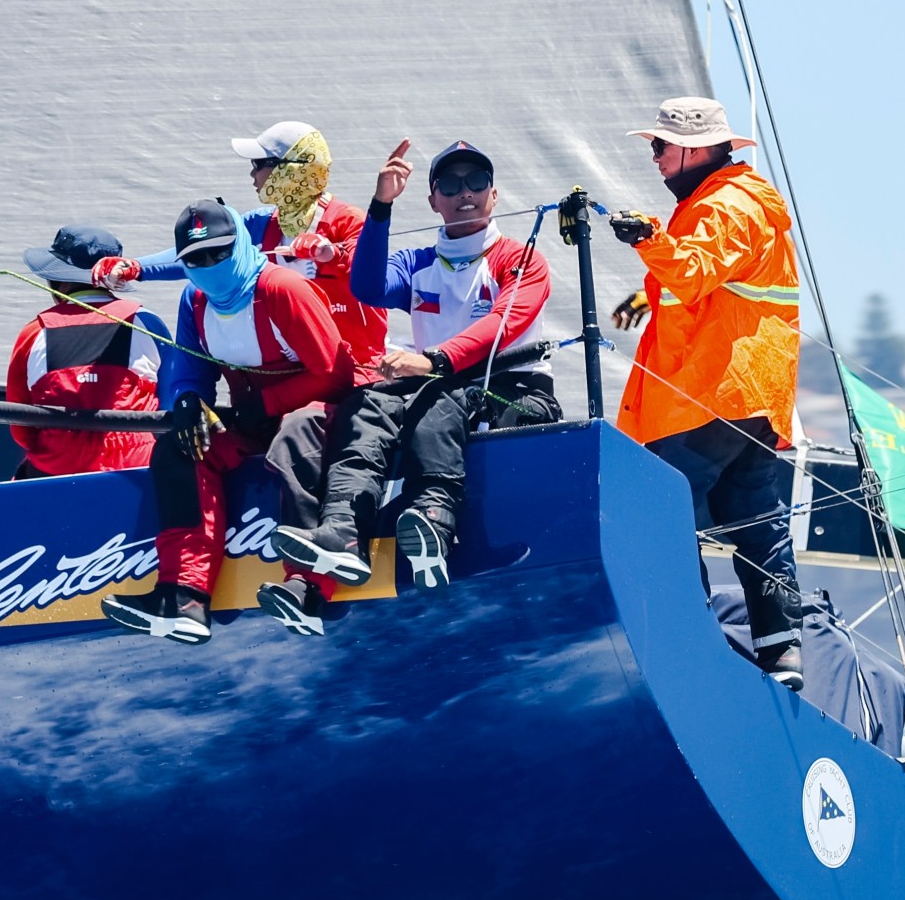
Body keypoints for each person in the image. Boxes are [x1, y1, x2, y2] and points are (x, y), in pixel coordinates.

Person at [261, 140, 560, 633]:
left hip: (514, 386)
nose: (464, 192)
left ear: (495, 194)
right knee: (366, 403)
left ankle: (434, 523)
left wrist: (432, 359)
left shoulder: (519, 256)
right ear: (433, 201)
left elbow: (503, 323)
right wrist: (381, 206)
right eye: (449, 184)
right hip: (436, 379)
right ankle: (341, 532)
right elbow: (367, 287)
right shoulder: (418, 260)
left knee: (438, 399)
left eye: (475, 182)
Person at [608, 96, 806, 690]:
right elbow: (708, 285)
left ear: (694, 149)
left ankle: (685, 639)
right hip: (750, 393)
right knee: (753, 514)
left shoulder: (724, 205)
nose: (655, 158)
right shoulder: (733, 202)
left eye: (660, 147)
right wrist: (651, 292)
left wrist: (646, 237)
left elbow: (693, 269)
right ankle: (782, 652)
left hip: (712, 392)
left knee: (657, 505)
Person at [101, 198, 354, 644]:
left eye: (219, 252)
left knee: (297, 432)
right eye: (196, 259)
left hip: (316, 410)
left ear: (239, 244)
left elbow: (335, 375)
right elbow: (190, 369)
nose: (209, 264)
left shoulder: (281, 289)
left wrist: (269, 403)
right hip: (254, 415)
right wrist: (187, 401)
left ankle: (309, 587)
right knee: (181, 448)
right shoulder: (195, 300)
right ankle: (184, 598)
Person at [96, 121, 387, 368]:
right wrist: (135, 267)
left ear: (291, 170)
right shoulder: (263, 223)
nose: (252, 174)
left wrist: (330, 253)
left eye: (259, 164)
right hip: (294, 370)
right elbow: (203, 249)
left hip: (355, 371)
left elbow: (373, 272)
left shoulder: (348, 220)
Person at [4, 226, 167, 478]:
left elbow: (20, 427)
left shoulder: (33, 332)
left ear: (59, 278)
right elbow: (172, 399)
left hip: (56, 467)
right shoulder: (148, 322)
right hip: (136, 468)